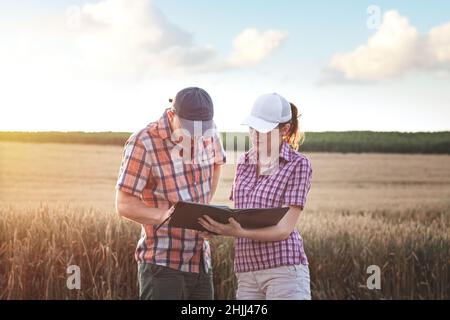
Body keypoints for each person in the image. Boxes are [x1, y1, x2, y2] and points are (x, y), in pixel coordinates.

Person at [115, 87, 226, 300]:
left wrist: (201, 213)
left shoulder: (210, 134)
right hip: (162, 266)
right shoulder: (144, 142)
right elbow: (124, 204)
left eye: (202, 131)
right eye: (189, 130)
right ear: (172, 115)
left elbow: (217, 163)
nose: (196, 137)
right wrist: (167, 216)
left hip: (201, 263)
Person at [199, 93, 313, 300]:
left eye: (263, 130)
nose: (254, 135)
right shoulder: (244, 162)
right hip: (246, 273)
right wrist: (217, 227)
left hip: (283, 271)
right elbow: (242, 215)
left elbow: (283, 230)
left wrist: (239, 232)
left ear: (285, 129)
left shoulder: (298, 164)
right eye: (252, 128)